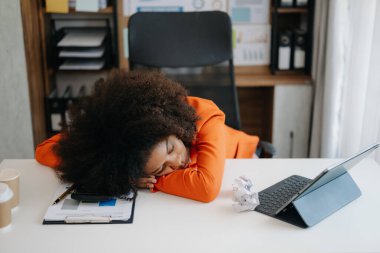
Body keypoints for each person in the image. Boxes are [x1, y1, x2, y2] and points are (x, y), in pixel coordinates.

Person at [35, 70, 259, 203]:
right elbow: (44, 151)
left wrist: (149, 181)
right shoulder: (127, 136)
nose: (176, 164)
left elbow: (207, 187)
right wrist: (122, 174)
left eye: (171, 149)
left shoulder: (205, 114)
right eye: (160, 169)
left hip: (248, 167)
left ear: (170, 123)